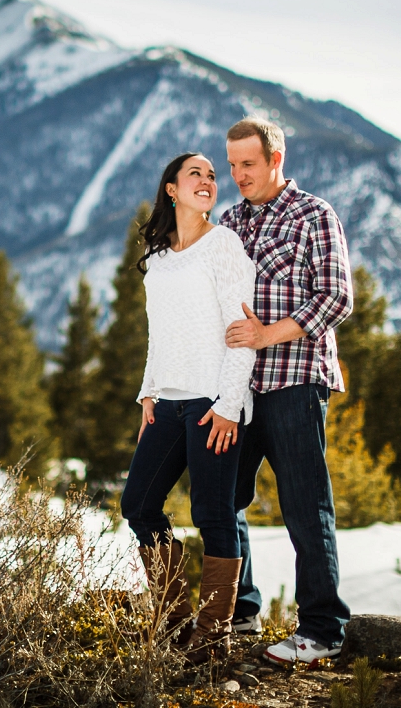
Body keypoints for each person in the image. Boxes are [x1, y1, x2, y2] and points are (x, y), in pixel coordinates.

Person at [221, 116, 353, 664]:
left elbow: (336, 298)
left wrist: (266, 335)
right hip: (237, 390)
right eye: (231, 166)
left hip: (296, 382)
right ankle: (242, 612)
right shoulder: (228, 221)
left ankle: (322, 630)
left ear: (276, 159)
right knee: (222, 499)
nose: (238, 176)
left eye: (248, 164)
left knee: (305, 507)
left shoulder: (314, 215)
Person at [119, 152, 257, 664]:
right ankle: (176, 621)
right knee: (138, 505)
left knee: (213, 513)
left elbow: (242, 333)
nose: (207, 181)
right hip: (169, 403)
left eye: (212, 176)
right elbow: (162, 334)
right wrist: (147, 392)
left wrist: (228, 405)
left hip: (212, 402)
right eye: (194, 174)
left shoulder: (224, 245)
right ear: (171, 189)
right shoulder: (158, 258)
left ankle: (213, 636)